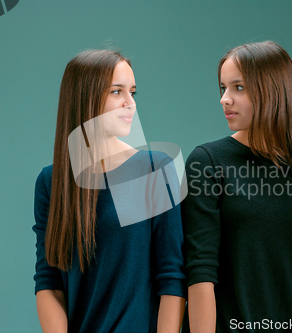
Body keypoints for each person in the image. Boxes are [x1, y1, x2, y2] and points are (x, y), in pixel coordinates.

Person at [181, 41, 292, 333]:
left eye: (238, 87)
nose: (224, 99)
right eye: (223, 88)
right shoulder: (207, 163)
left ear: (272, 91)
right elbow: (200, 272)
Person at [33, 49, 186, 333]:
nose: (131, 104)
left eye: (133, 92)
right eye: (117, 92)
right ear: (85, 98)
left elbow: (172, 278)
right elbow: (49, 281)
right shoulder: (50, 182)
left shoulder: (157, 170)